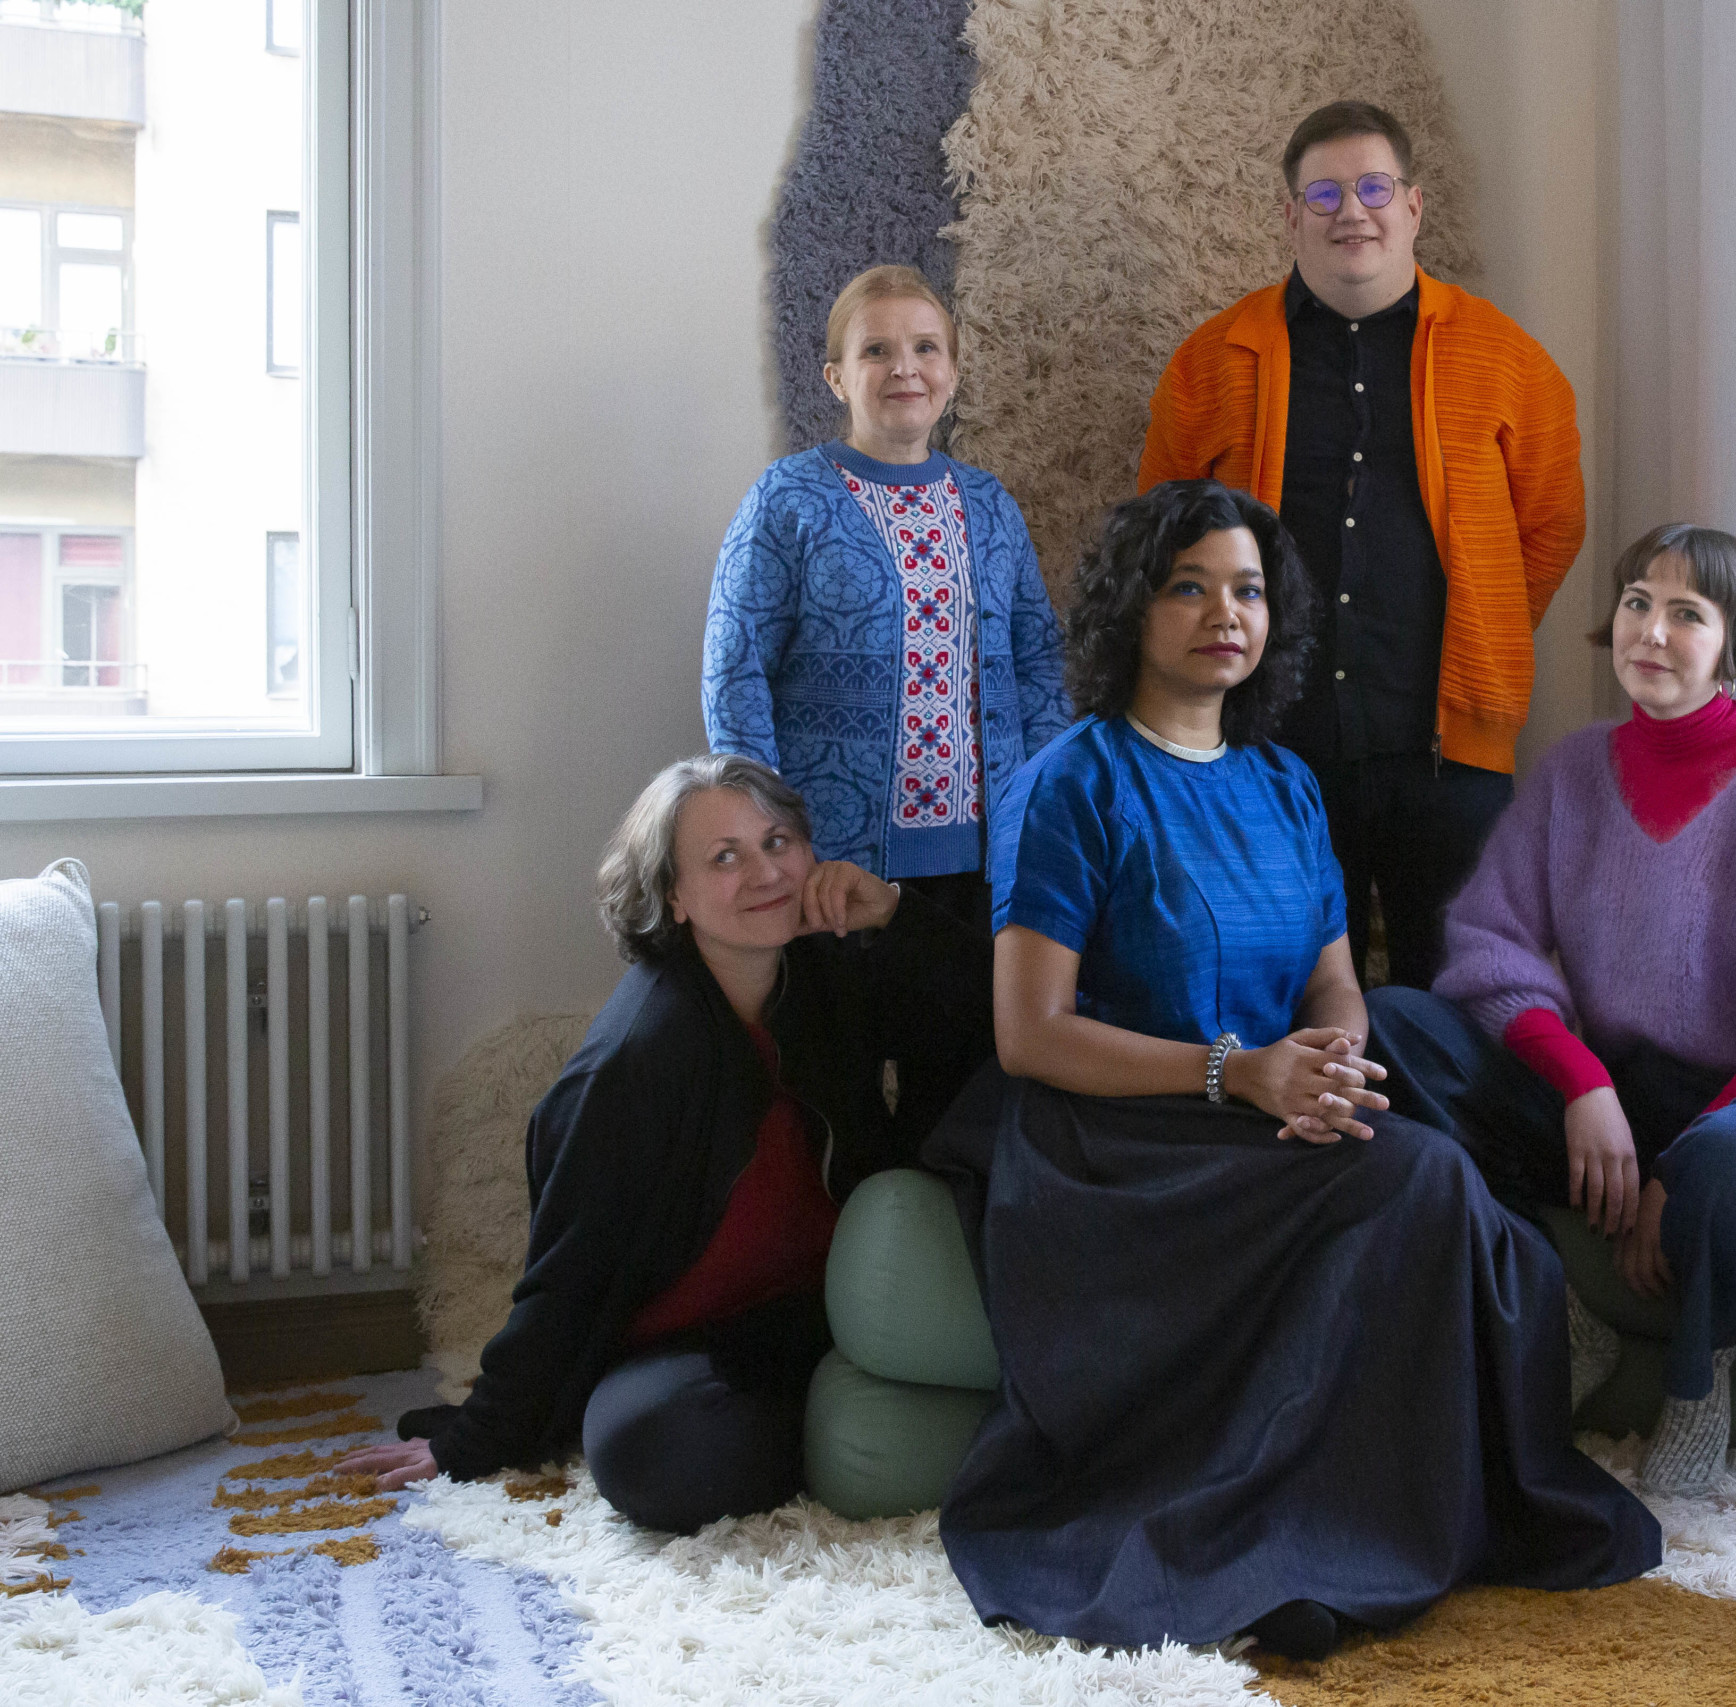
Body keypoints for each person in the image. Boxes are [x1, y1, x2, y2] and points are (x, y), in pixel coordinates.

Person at [920, 480, 1659, 1660]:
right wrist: (1242, 1075)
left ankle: (1422, 1458)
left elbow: (1334, 981)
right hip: (1120, 1145)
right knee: (1417, 1179)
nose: (1226, 612)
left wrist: (1334, 1060)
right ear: (1132, 609)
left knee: (1416, 1108)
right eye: (1189, 586)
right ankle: (1352, 1503)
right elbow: (1032, 1037)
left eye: (1250, 591)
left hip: (1262, 1104)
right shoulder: (1068, 783)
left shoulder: (1283, 783)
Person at [1391, 524, 1736, 1496]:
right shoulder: (1574, 772)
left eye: (1687, 613)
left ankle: (1700, 1370)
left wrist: (1684, 1161)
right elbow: (1487, 944)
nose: (1653, 631)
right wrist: (1583, 1081)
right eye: (1637, 602)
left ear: (1731, 641)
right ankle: (1562, 1316)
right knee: (1392, 1029)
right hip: (1630, 1100)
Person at [341, 755, 908, 1531]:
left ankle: (841, 1427)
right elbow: (567, 1274)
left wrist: (896, 916)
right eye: (725, 856)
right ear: (673, 896)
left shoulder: (830, 975)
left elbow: (975, 1017)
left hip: (829, 1321)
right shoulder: (639, 1055)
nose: (766, 871)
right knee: (649, 1452)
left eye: (778, 841)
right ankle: (833, 1434)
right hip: (694, 1351)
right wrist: (478, 1438)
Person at [1138, 100, 1584, 989]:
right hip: (1265, 748)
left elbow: (1550, 528)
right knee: (1279, 991)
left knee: (1462, 998)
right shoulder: (1210, 362)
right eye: (1327, 191)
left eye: (1375, 186)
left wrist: (1482, 629)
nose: (1353, 210)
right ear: (1290, 213)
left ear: (1413, 206)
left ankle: (1449, 1140)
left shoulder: (1508, 362)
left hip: (1448, 758)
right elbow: (1160, 541)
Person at [705, 264, 1072, 1155]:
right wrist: (776, 844)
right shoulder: (788, 500)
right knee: (837, 1109)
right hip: (832, 871)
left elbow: (1037, 662)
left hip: (977, 877)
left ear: (952, 367)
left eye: (925, 347)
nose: (904, 367)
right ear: (837, 376)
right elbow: (736, 671)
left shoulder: (989, 507)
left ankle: (936, 1280)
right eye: (877, 350)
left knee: (959, 1106)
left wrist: (1043, 821)